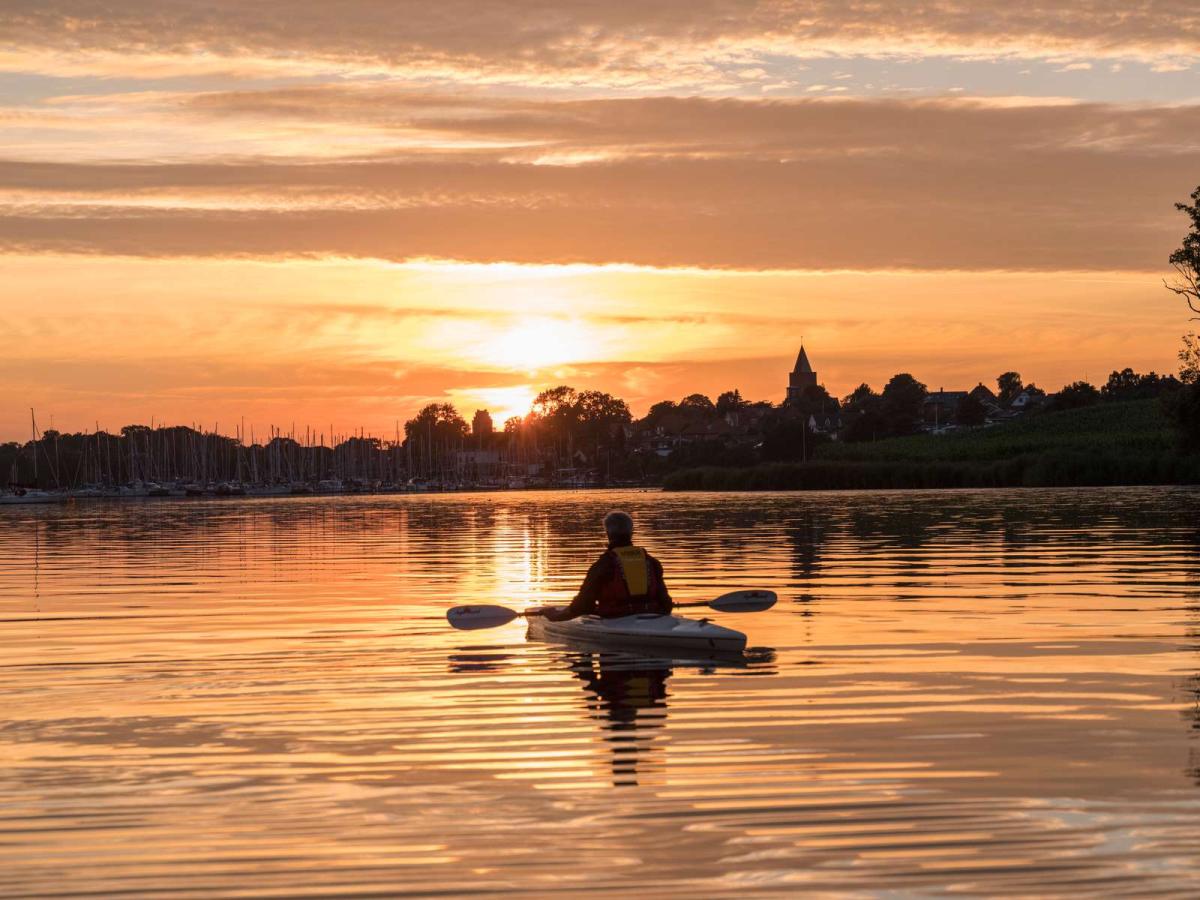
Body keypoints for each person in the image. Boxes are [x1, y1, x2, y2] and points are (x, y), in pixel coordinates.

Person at [535, 511, 672, 621]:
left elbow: (582, 606)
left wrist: (553, 616)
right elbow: (666, 605)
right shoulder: (652, 562)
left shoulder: (604, 565)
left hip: (615, 619)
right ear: (632, 533)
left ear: (608, 534)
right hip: (654, 617)